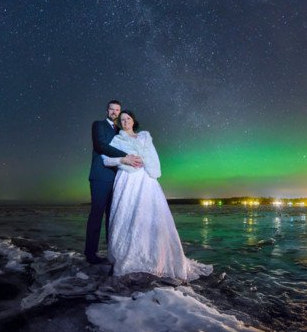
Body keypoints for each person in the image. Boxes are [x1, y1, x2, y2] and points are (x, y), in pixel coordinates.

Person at [101, 110, 212, 281]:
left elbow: (154, 157)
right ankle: (129, 258)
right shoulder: (117, 140)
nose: (125, 122)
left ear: (133, 120)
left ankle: (154, 259)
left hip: (146, 180)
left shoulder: (145, 137)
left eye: (128, 118)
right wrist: (123, 160)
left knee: (151, 217)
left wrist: (147, 165)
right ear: (119, 123)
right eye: (122, 120)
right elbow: (105, 159)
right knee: (127, 217)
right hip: (128, 180)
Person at [84, 100, 143, 265]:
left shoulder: (120, 130)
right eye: (112, 109)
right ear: (107, 110)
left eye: (118, 110)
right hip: (101, 176)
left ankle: (112, 252)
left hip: (118, 178)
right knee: (97, 214)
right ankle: (90, 254)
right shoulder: (98, 125)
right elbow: (100, 145)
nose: (115, 112)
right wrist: (125, 156)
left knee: (113, 217)